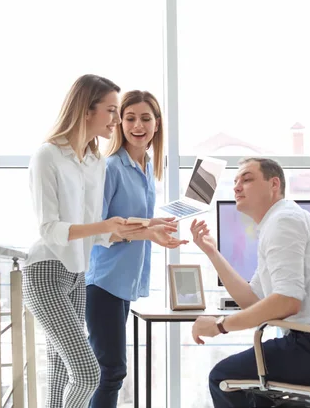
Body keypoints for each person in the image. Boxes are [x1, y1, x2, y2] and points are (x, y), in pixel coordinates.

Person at [23, 74, 148, 408]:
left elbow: (102, 232)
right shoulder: (47, 156)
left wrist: (147, 229)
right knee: (88, 373)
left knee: (61, 369)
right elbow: (50, 228)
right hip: (46, 270)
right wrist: (102, 226)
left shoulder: (94, 162)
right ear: (86, 110)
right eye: (111, 110)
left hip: (78, 273)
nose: (117, 120)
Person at [189, 157, 310, 408]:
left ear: (273, 184)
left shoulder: (283, 221)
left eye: (247, 179)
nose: (236, 187)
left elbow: (287, 302)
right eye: (235, 182)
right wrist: (212, 252)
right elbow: (252, 300)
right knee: (247, 386)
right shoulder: (278, 222)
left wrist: (221, 326)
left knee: (223, 378)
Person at [85, 90, 189, 408]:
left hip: (122, 286)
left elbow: (132, 222)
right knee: (110, 372)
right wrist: (148, 233)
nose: (137, 125)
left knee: (110, 371)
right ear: (118, 123)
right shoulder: (111, 168)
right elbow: (96, 233)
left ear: (156, 125)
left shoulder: (144, 168)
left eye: (145, 118)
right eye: (129, 118)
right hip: (102, 283)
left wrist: (153, 225)